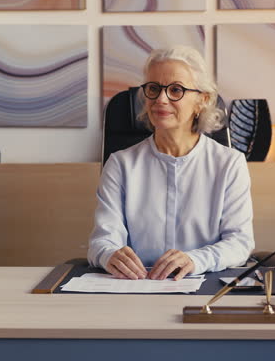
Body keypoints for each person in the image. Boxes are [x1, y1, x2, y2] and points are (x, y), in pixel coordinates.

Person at [87, 46, 254, 281]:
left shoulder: (229, 164)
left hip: (204, 288)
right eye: (153, 89)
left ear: (202, 100)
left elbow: (240, 242)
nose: (161, 99)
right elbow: (101, 242)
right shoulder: (120, 164)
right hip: (136, 288)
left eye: (176, 89)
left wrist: (195, 260)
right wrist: (109, 255)